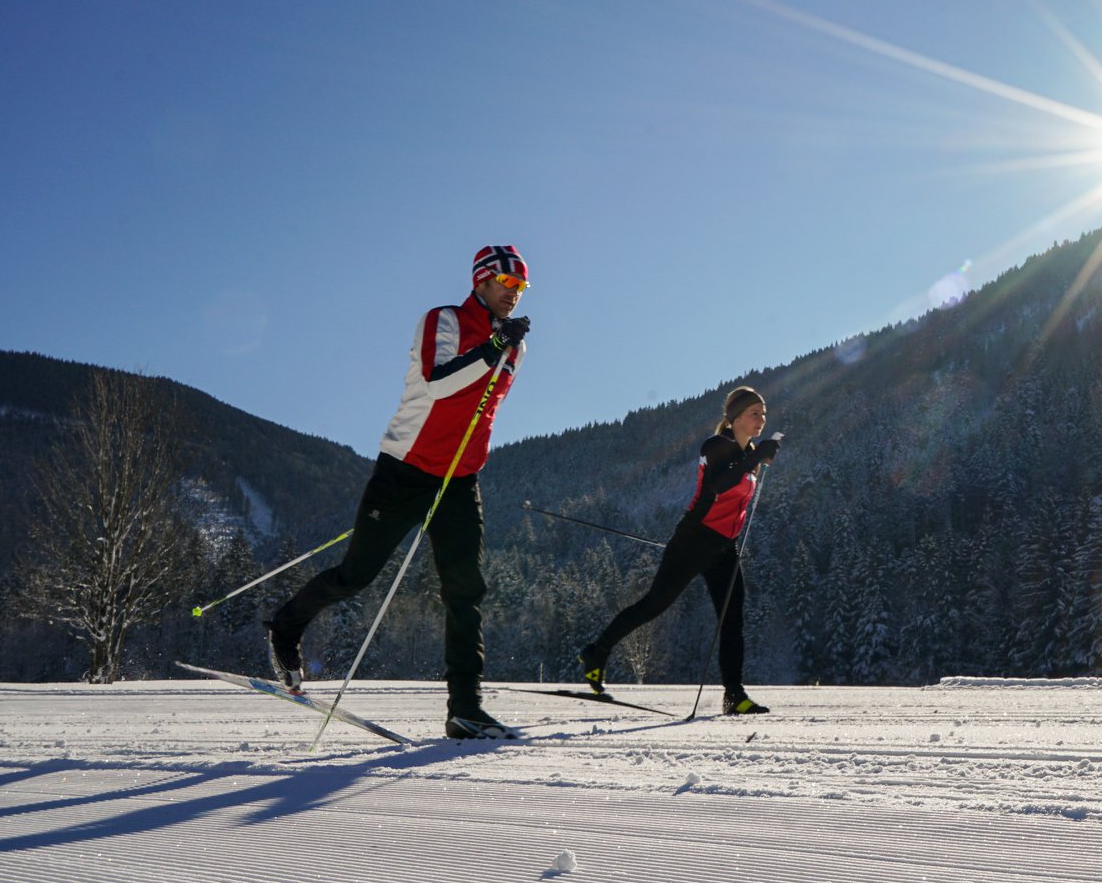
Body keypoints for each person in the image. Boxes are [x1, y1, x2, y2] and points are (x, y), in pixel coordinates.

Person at [266, 245, 531, 740]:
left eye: (522, 287)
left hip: (459, 479)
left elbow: (485, 407)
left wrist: (501, 348)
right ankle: (285, 625)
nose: (514, 294)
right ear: (481, 281)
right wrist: (492, 348)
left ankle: (465, 709)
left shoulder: (515, 345)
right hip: (405, 469)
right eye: (507, 283)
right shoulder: (444, 320)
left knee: (465, 590)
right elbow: (438, 384)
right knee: (356, 576)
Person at [577, 386, 782, 715]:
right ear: (735, 417)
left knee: (732, 619)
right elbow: (718, 484)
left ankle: (735, 695)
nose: (762, 419)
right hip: (694, 539)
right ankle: (596, 652)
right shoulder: (716, 445)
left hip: (724, 547)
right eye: (754, 413)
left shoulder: (750, 455)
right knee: (653, 605)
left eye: (764, 414)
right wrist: (754, 459)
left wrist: (755, 458)